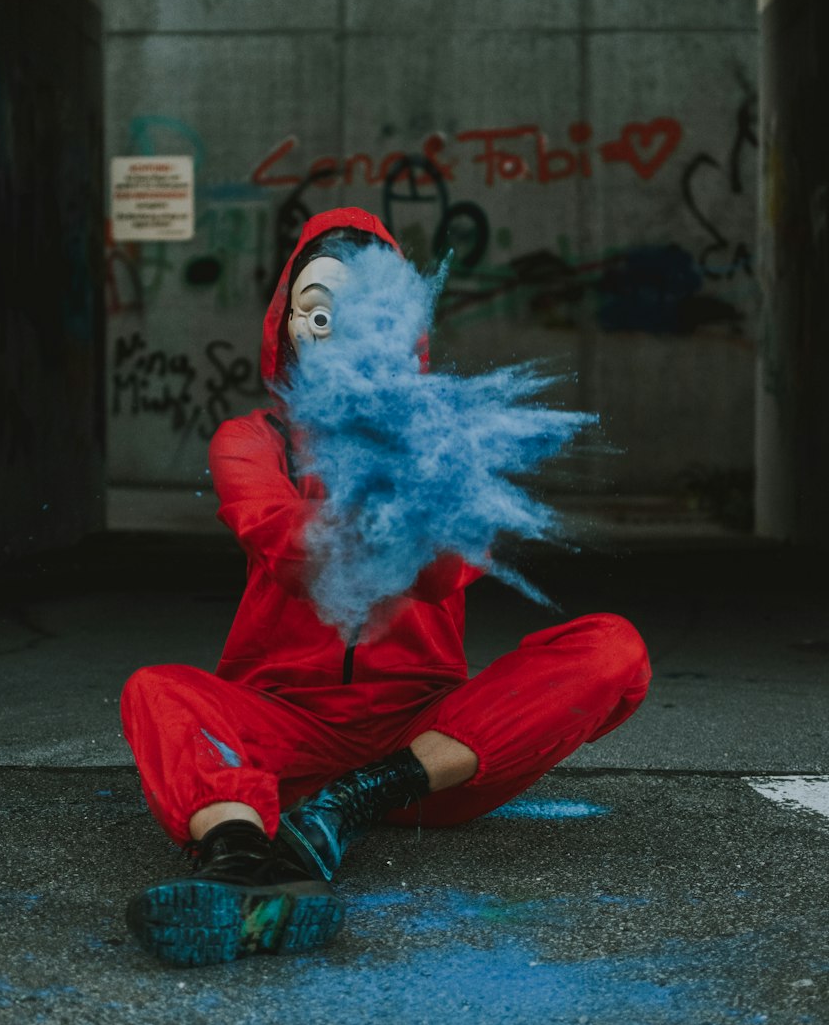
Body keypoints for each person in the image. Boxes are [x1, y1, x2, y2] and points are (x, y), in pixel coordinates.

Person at [121, 207, 651, 967]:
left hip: (427, 746)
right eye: (318, 313)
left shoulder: (442, 444)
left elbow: (446, 571)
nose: (337, 335)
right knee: (156, 692)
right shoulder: (252, 440)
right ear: (288, 325)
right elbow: (274, 535)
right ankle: (239, 863)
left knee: (613, 651)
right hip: (283, 728)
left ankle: (349, 807)